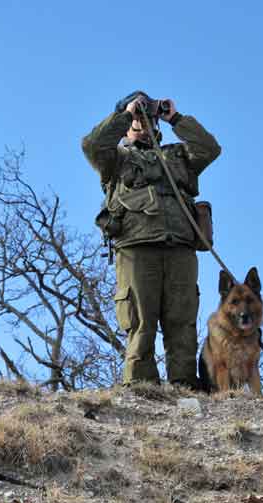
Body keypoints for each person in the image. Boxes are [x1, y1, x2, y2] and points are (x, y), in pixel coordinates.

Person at [82, 92, 220, 389]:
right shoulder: (116, 157)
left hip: (181, 245)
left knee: (182, 319)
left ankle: (184, 382)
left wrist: (175, 119)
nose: (143, 121)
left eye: (148, 116)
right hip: (137, 245)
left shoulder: (179, 155)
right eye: (138, 117)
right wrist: (125, 114)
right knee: (140, 320)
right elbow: (91, 145)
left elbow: (209, 149)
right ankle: (141, 385)